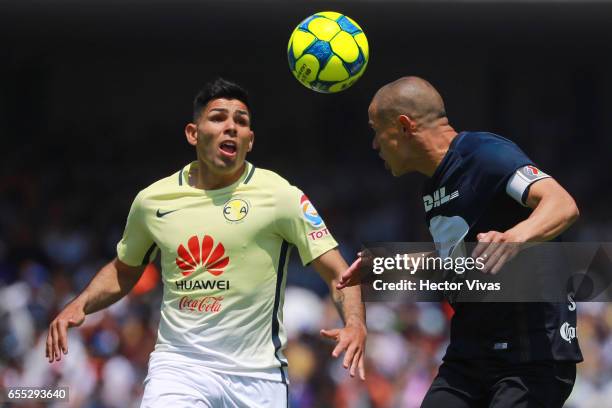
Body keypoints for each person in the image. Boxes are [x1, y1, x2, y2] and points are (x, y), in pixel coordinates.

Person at [46, 78, 366, 407]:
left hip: (258, 377)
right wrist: (79, 304)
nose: (231, 127)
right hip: (180, 367)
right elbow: (124, 270)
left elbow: (340, 273)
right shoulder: (152, 201)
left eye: (241, 121)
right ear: (193, 133)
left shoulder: (281, 196)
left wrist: (354, 322)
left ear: (250, 141)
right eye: (218, 118)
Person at [338, 76, 582, 407]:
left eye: (376, 130)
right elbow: (458, 260)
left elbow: (561, 203)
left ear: (404, 126)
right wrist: (386, 265)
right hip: (469, 359)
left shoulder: (486, 154)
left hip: (531, 359)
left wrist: (515, 237)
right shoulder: (431, 189)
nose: (374, 144)